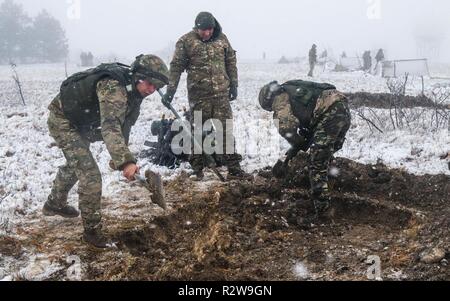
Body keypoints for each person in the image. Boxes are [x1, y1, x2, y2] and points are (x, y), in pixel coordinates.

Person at [44, 54, 169, 248]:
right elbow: (110, 126)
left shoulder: (136, 93)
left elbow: (124, 125)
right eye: (150, 83)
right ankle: (92, 233)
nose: (152, 90)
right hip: (64, 120)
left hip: (84, 121)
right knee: (89, 174)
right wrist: (126, 161)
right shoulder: (114, 88)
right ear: (139, 76)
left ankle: (54, 203)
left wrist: (121, 158)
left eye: (157, 87)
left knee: (77, 163)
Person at [161, 11, 244, 180]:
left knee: (225, 131)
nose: (206, 33)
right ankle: (197, 169)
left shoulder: (222, 39)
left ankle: (234, 169)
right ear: (196, 28)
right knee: (197, 132)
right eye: (203, 30)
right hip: (199, 97)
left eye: (209, 30)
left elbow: (231, 61)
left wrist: (234, 84)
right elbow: (176, 67)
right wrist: (170, 91)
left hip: (221, 95)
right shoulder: (186, 42)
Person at [259, 79, 351, 223]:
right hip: (341, 105)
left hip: (329, 112)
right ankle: (330, 183)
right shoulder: (290, 87)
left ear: (269, 100)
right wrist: (294, 150)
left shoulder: (279, 100)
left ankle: (323, 211)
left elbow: (287, 129)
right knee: (326, 152)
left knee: (317, 162)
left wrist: (298, 145)